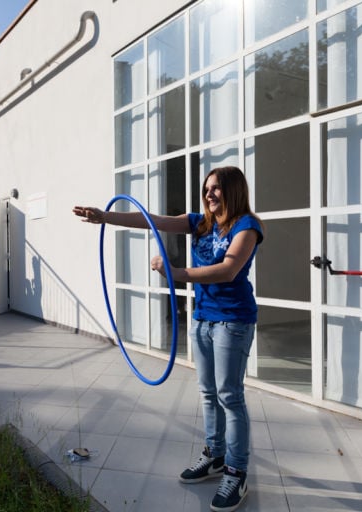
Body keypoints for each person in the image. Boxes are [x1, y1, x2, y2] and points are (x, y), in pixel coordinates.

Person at [73, 166, 263, 512]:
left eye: (216, 189)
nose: (209, 195)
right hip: (203, 318)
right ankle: (215, 455)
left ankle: (237, 471)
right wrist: (105, 217)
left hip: (232, 322)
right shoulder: (199, 222)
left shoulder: (247, 226)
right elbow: (152, 220)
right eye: (206, 189)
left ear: (233, 190)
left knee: (229, 397)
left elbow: (228, 269)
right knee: (208, 393)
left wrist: (176, 274)